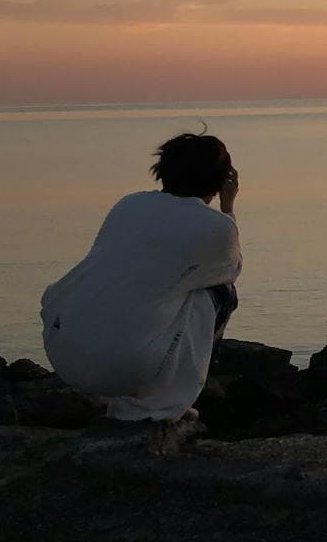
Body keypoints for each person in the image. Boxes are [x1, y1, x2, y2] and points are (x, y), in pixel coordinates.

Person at [40, 132, 242, 423]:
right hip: (122, 367)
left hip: (62, 347)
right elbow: (230, 268)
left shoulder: (129, 204)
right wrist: (228, 208)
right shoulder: (216, 227)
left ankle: (126, 390)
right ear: (221, 179)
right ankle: (162, 404)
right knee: (217, 292)